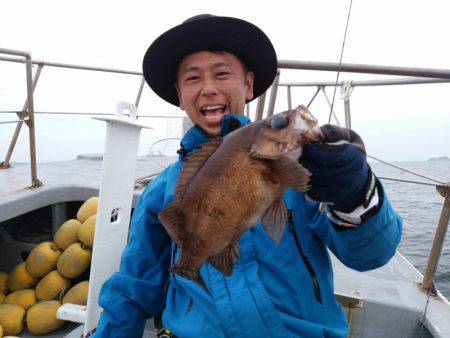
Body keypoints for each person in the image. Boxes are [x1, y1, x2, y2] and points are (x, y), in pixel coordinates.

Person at [94, 14, 402, 338]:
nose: (209, 88)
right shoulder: (160, 192)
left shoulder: (305, 172)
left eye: (222, 73)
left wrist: (354, 194)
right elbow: (133, 287)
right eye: (193, 78)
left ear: (249, 84)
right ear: (179, 95)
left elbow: (371, 256)